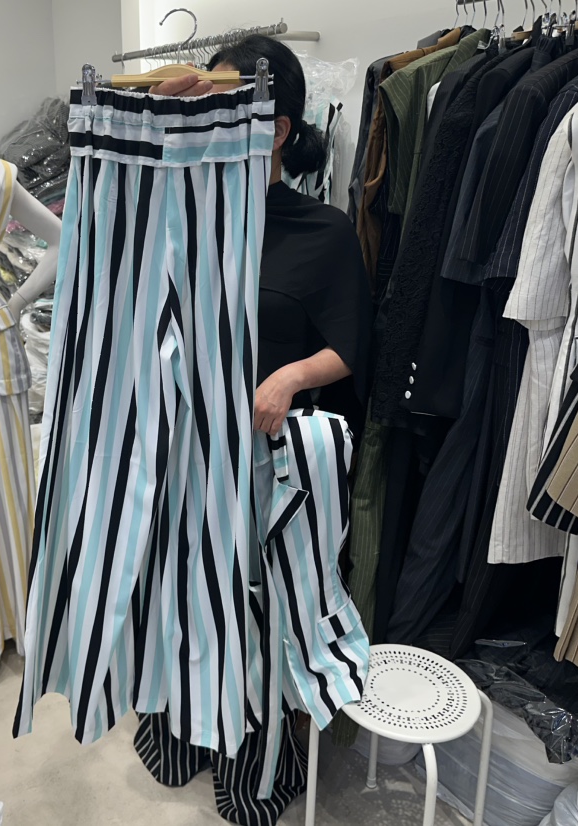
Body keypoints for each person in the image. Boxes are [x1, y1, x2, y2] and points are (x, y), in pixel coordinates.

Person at [134, 35, 372, 826]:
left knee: (259, 615)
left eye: (231, 107)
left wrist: (291, 375)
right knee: (183, 597)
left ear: (276, 128)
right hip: (186, 453)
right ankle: (182, 731)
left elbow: (352, 346)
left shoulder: (322, 232)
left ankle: (256, 765)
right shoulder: (183, 220)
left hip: (269, 464)